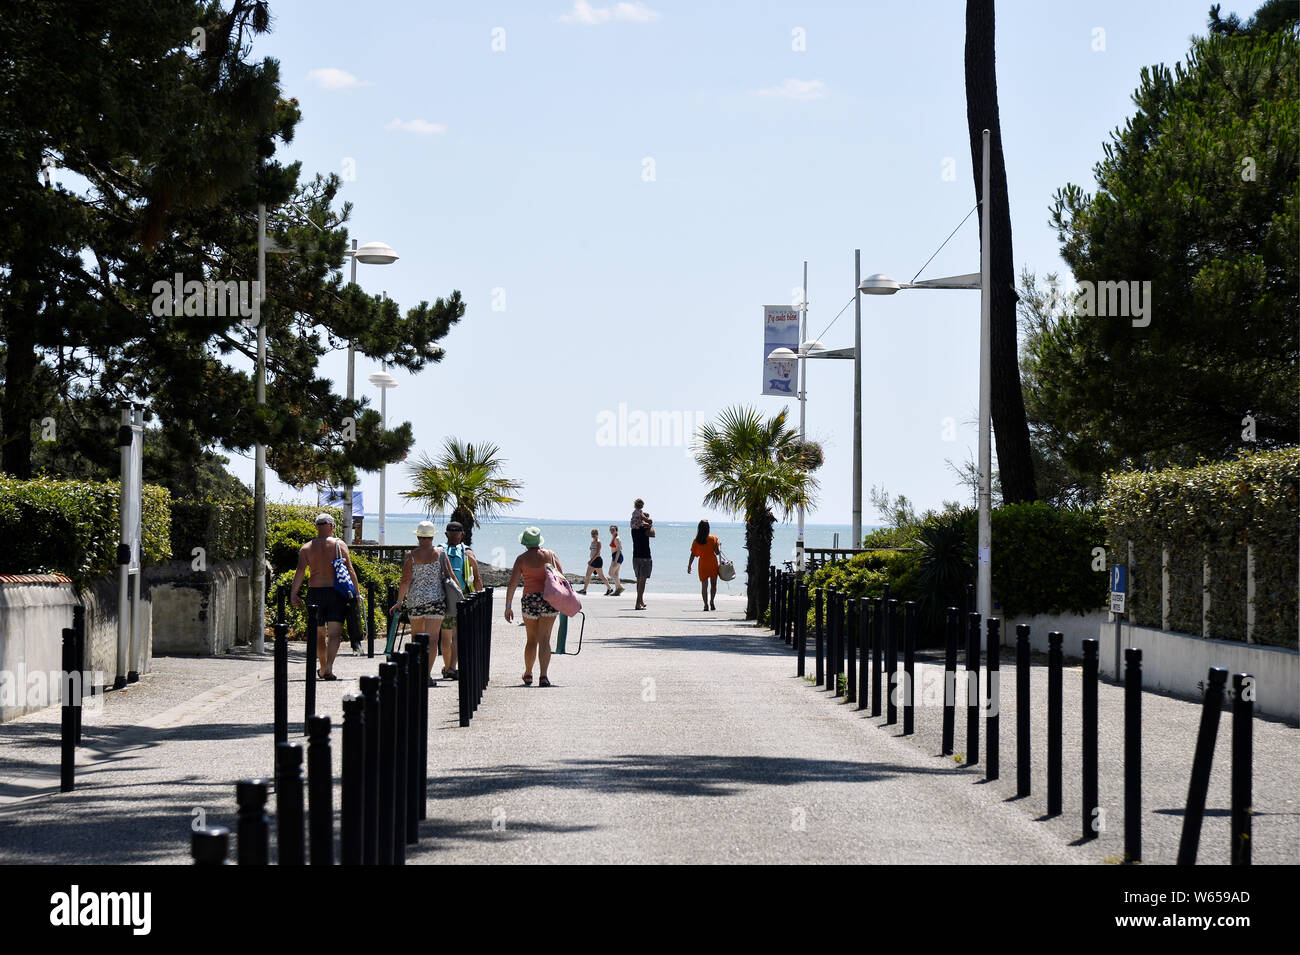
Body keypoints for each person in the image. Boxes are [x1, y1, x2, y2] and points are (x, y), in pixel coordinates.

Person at [290, 513, 360, 681]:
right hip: (336, 593)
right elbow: (350, 570)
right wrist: (356, 593)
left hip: (315, 593)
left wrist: (294, 594)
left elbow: (300, 573)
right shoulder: (339, 544)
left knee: (319, 634)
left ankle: (322, 668)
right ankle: (328, 668)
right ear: (331, 526)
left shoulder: (306, 548)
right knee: (335, 634)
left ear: (316, 527)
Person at [390, 521, 456, 685]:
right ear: (433, 536)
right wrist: (459, 595)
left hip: (415, 601)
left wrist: (399, 601)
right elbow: (451, 576)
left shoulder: (411, 556)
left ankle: (416, 673)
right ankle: (426, 675)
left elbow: (405, 581)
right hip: (436, 601)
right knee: (433, 640)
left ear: (418, 536)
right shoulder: (440, 553)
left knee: (416, 638)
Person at [503, 526, 563, 687]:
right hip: (548, 599)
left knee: (531, 639)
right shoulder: (550, 555)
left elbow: (513, 583)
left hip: (529, 599)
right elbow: (561, 578)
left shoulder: (521, 559)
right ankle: (543, 676)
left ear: (525, 542)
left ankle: (528, 673)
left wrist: (508, 606)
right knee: (545, 639)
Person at [439, 520, 482, 680]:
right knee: (457, 636)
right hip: (461, 597)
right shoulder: (468, 552)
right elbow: (476, 579)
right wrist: (480, 596)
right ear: (462, 535)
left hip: (444, 596)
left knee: (445, 635)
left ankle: (447, 666)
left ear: (446, 534)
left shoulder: (439, 550)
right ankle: (452, 667)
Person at [687, 519, 722, 611]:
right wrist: (719, 545)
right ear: (708, 528)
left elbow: (693, 554)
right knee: (713, 585)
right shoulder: (714, 538)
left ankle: (706, 605)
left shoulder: (697, 540)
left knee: (704, 585)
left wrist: (689, 565)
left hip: (703, 564)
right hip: (713, 563)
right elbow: (717, 553)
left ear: (699, 528)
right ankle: (712, 602)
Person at [629, 498, 653, 610]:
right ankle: (637, 603)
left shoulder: (634, 529)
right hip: (644, 557)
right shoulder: (644, 529)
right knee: (642, 581)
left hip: (635, 556)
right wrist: (650, 522)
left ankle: (640, 601)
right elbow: (652, 534)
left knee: (639, 580)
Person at [579, 527, 611, 595]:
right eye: (592, 534)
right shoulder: (592, 542)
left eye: (594, 534)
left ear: (597, 534)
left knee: (601, 576)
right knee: (588, 575)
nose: (593, 535)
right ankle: (584, 590)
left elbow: (597, 553)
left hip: (597, 560)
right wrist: (590, 560)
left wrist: (591, 560)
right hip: (592, 561)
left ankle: (609, 588)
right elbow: (592, 551)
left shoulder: (598, 542)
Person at [607, 524, 625, 596]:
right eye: (610, 530)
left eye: (613, 530)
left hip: (617, 556)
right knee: (616, 574)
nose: (611, 531)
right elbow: (620, 547)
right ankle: (617, 590)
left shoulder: (617, 538)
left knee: (610, 573)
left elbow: (618, 550)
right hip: (615, 556)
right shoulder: (614, 537)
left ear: (616, 530)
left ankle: (619, 587)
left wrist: (615, 560)